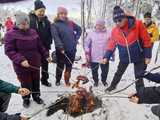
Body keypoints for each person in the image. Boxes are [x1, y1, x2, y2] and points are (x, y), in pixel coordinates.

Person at [4, 12, 51, 108]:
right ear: (18, 23)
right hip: (22, 65)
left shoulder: (33, 32)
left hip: (35, 63)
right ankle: (26, 98)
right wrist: (21, 60)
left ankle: (36, 96)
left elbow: (40, 46)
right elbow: (9, 51)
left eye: (27, 23)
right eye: (23, 24)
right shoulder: (10, 34)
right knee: (26, 83)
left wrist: (46, 55)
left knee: (36, 81)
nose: (25, 26)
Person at [102, 6, 152, 92]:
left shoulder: (138, 24)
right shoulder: (115, 31)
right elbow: (111, 44)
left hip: (138, 55)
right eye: (115, 21)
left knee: (139, 75)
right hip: (124, 56)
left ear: (124, 17)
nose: (117, 23)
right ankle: (113, 85)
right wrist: (106, 56)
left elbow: (147, 40)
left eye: (119, 20)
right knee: (119, 72)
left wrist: (148, 56)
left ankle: (140, 92)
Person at [51, 7, 82, 87]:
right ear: (58, 14)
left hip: (72, 49)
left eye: (65, 14)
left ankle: (67, 80)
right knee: (60, 66)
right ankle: (58, 80)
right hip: (61, 50)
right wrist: (60, 47)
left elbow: (79, 29)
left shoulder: (70, 23)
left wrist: (76, 38)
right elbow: (56, 37)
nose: (63, 15)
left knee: (69, 66)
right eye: (61, 13)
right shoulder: (54, 25)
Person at [29, 0, 52, 87]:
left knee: (45, 65)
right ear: (35, 10)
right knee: (35, 66)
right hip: (34, 49)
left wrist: (49, 44)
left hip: (45, 48)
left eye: (43, 11)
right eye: (40, 11)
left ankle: (44, 80)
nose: (42, 13)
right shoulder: (30, 20)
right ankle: (33, 83)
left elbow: (50, 34)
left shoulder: (46, 21)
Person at [84, 19, 111, 87]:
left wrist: (110, 53)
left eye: (100, 25)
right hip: (94, 56)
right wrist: (87, 52)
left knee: (105, 71)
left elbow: (112, 43)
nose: (98, 26)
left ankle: (104, 80)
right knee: (94, 71)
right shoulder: (91, 33)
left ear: (103, 26)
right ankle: (96, 81)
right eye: (97, 25)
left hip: (104, 56)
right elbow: (86, 43)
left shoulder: (108, 33)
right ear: (95, 25)